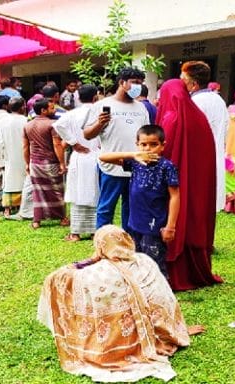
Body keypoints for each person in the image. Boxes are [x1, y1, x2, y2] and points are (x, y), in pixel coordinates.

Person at [37, 225, 203, 383]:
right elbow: (164, 300)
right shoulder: (145, 261)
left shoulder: (96, 273)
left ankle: (114, 348)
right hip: (154, 330)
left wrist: (88, 261)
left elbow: (57, 278)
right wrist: (176, 331)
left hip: (114, 339)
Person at [156, 79, 222, 290]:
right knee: (194, 218)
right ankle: (197, 269)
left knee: (174, 216)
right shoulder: (199, 117)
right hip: (198, 184)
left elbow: (161, 154)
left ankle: (174, 274)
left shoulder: (170, 118)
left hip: (172, 184)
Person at [99, 124, 179, 276]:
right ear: (137, 145)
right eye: (143, 145)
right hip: (134, 222)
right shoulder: (135, 163)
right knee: (135, 261)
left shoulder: (167, 167)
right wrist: (133, 155)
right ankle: (140, 293)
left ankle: (160, 295)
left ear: (163, 146)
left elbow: (175, 196)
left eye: (154, 144)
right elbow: (103, 157)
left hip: (154, 224)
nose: (148, 149)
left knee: (154, 263)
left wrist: (170, 226)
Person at [84, 68, 151, 229]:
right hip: (110, 167)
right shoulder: (102, 105)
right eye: (134, 83)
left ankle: (128, 244)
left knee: (131, 209)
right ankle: (103, 245)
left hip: (136, 167)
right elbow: (87, 134)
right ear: (122, 82)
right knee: (106, 208)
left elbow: (147, 135)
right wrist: (100, 123)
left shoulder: (141, 108)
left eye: (140, 83)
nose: (138, 87)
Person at [53, 85, 100, 241]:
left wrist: (73, 142)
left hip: (80, 156)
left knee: (78, 192)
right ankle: (94, 230)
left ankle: (76, 232)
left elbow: (58, 125)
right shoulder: (100, 112)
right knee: (95, 191)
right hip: (96, 155)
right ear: (96, 97)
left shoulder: (72, 113)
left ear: (78, 97)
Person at [180, 61, 229, 212]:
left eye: (183, 81)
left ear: (193, 84)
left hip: (197, 162)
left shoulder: (195, 102)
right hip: (215, 158)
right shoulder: (218, 100)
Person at [24, 99, 68, 229]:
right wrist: (62, 163)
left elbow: (25, 147)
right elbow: (57, 145)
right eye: (52, 108)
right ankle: (63, 218)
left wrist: (27, 163)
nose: (54, 110)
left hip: (35, 163)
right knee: (57, 190)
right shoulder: (52, 124)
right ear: (43, 110)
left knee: (38, 192)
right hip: (50, 162)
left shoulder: (28, 125)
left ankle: (37, 221)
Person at [0, 97, 28, 218]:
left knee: (9, 181)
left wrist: (0, 160)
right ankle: (22, 206)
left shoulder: (3, 121)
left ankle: (7, 209)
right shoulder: (26, 121)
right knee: (24, 181)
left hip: (8, 157)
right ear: (22, 107)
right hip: (24, 156)